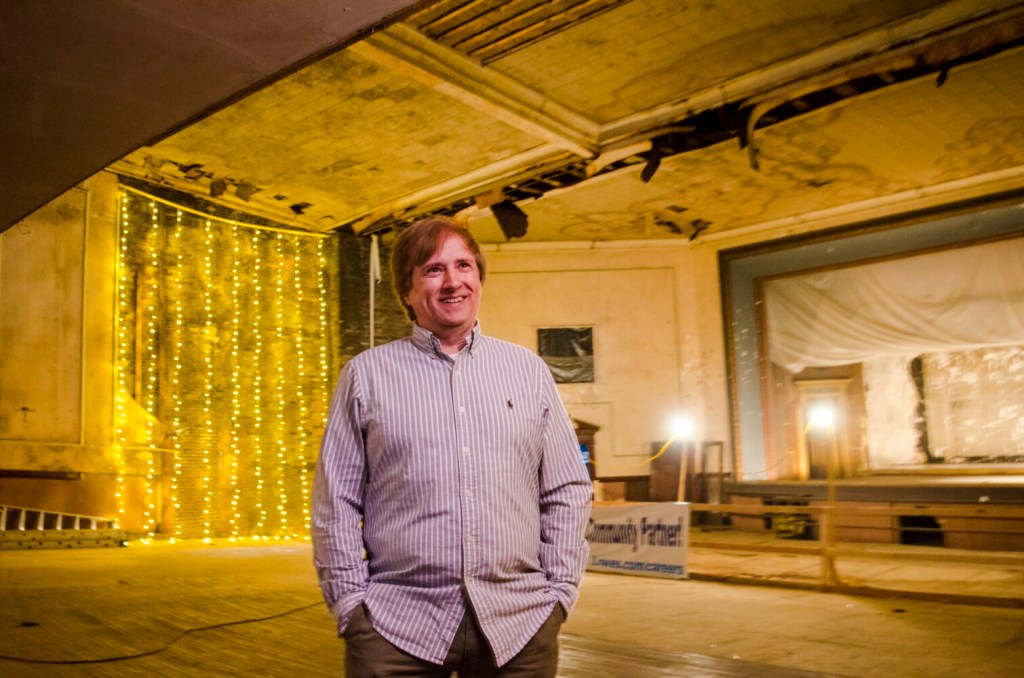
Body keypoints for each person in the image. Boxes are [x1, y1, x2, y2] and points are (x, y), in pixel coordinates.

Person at [312, 215, 592, 676]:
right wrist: (350, 605)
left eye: (463, 266)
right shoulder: (365, 376)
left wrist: (559, 592)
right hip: (395, 627)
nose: (453, 281)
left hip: (520, 624)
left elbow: (566, 488)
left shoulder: (528, 371)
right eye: (433, 269)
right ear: (406, 289)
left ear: (479, 278)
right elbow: (335, 501)